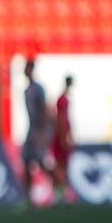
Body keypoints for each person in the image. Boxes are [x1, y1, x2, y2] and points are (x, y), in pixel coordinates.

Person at [22, 59, 53, 204]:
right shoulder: (26, 90)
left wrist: (41, 133)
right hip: (31, 129)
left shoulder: (38, 89)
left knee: (41, 162)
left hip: (38, 130)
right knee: (26, 161)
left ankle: (58, 189)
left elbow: (44, 110)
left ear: (31, 70)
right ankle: (28, 197)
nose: (25, 71)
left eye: (27, 68)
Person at [50, 75, 75, 204]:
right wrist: (64, 137)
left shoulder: (63, 98)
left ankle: (60, 193)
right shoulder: (63, 100)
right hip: (61, 136)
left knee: (61, 165)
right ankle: (60, 194)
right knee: (60, 166)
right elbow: (61, 119)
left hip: (61, 135)